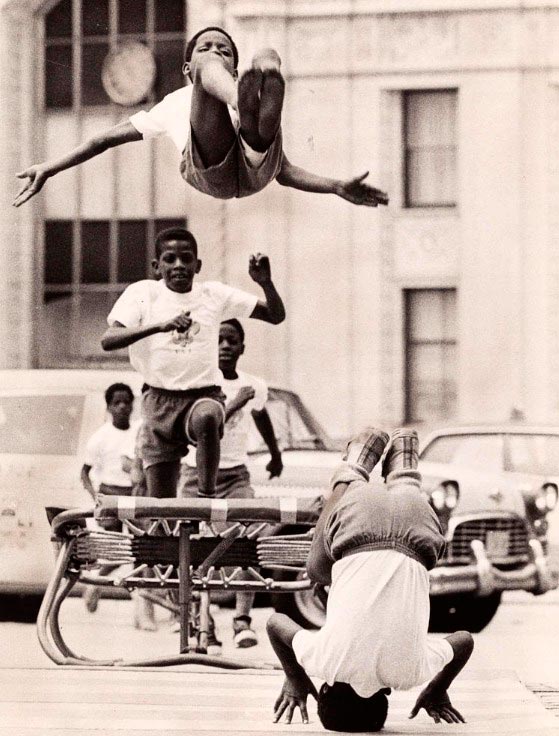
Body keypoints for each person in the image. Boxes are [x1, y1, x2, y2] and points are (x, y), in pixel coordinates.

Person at [13, 27, 389, 208]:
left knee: (266, 59)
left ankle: (266, 74)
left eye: (224, 51)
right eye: (206, 49)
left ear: (234, 64)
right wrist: (49, 166)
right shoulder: (174, 103)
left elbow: (283, 172)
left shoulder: (231, 82)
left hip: (257, 163)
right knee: (242, 102)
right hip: (211, 172)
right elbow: (101, 140)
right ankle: (245, 98)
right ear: (187, 67)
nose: (215, 51)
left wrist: (336, 186)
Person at [267, 427, 474, 731]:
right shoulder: (323, 662)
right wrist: (295, 677)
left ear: (386, 695)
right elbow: (275, 623)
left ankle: (405, 470)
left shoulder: (409, 674)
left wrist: (437, 688)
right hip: (359, 516)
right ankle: (354, 468)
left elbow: (465, 640)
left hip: (419, 523)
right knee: (316, 571)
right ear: (326, 687)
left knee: (410, 543)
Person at [101, 226, 285, 501]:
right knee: (161, 506)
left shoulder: (213, 294)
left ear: (197, 265)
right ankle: (167, 534)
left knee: (209, 416)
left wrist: (265, 283)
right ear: (156, 266)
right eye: (170, 259)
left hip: (201, 396)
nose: (179, 266)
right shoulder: (143, 293)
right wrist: (159, 327)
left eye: (186, 259)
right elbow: (108, 339)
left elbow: (274, 315)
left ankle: (206, 497)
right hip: (159, 401)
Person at [179, 318, 283, 651]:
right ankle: (203, 623)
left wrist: (275, 453)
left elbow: (261, 414)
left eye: (232, 340)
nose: (225, 346)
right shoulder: (198, 383)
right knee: (191, 547)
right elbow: (203, 429)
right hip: (196, 475)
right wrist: (237, 400)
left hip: (235, 473)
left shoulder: (253, 384)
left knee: (245, 540)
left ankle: (241, 620)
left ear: (242, 347)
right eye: (220, 340)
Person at [80, 382, 149, 619]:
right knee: (118, 552)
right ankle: (95, 584)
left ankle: (142, 612)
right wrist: (95, 497)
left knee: (141, 552)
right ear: (108, 407)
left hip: (135, 496)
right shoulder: (101, 437)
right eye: (116, 403)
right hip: (110, 496)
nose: (122, 407)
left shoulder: (139, 430)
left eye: (127, 402)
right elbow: (84, 473)